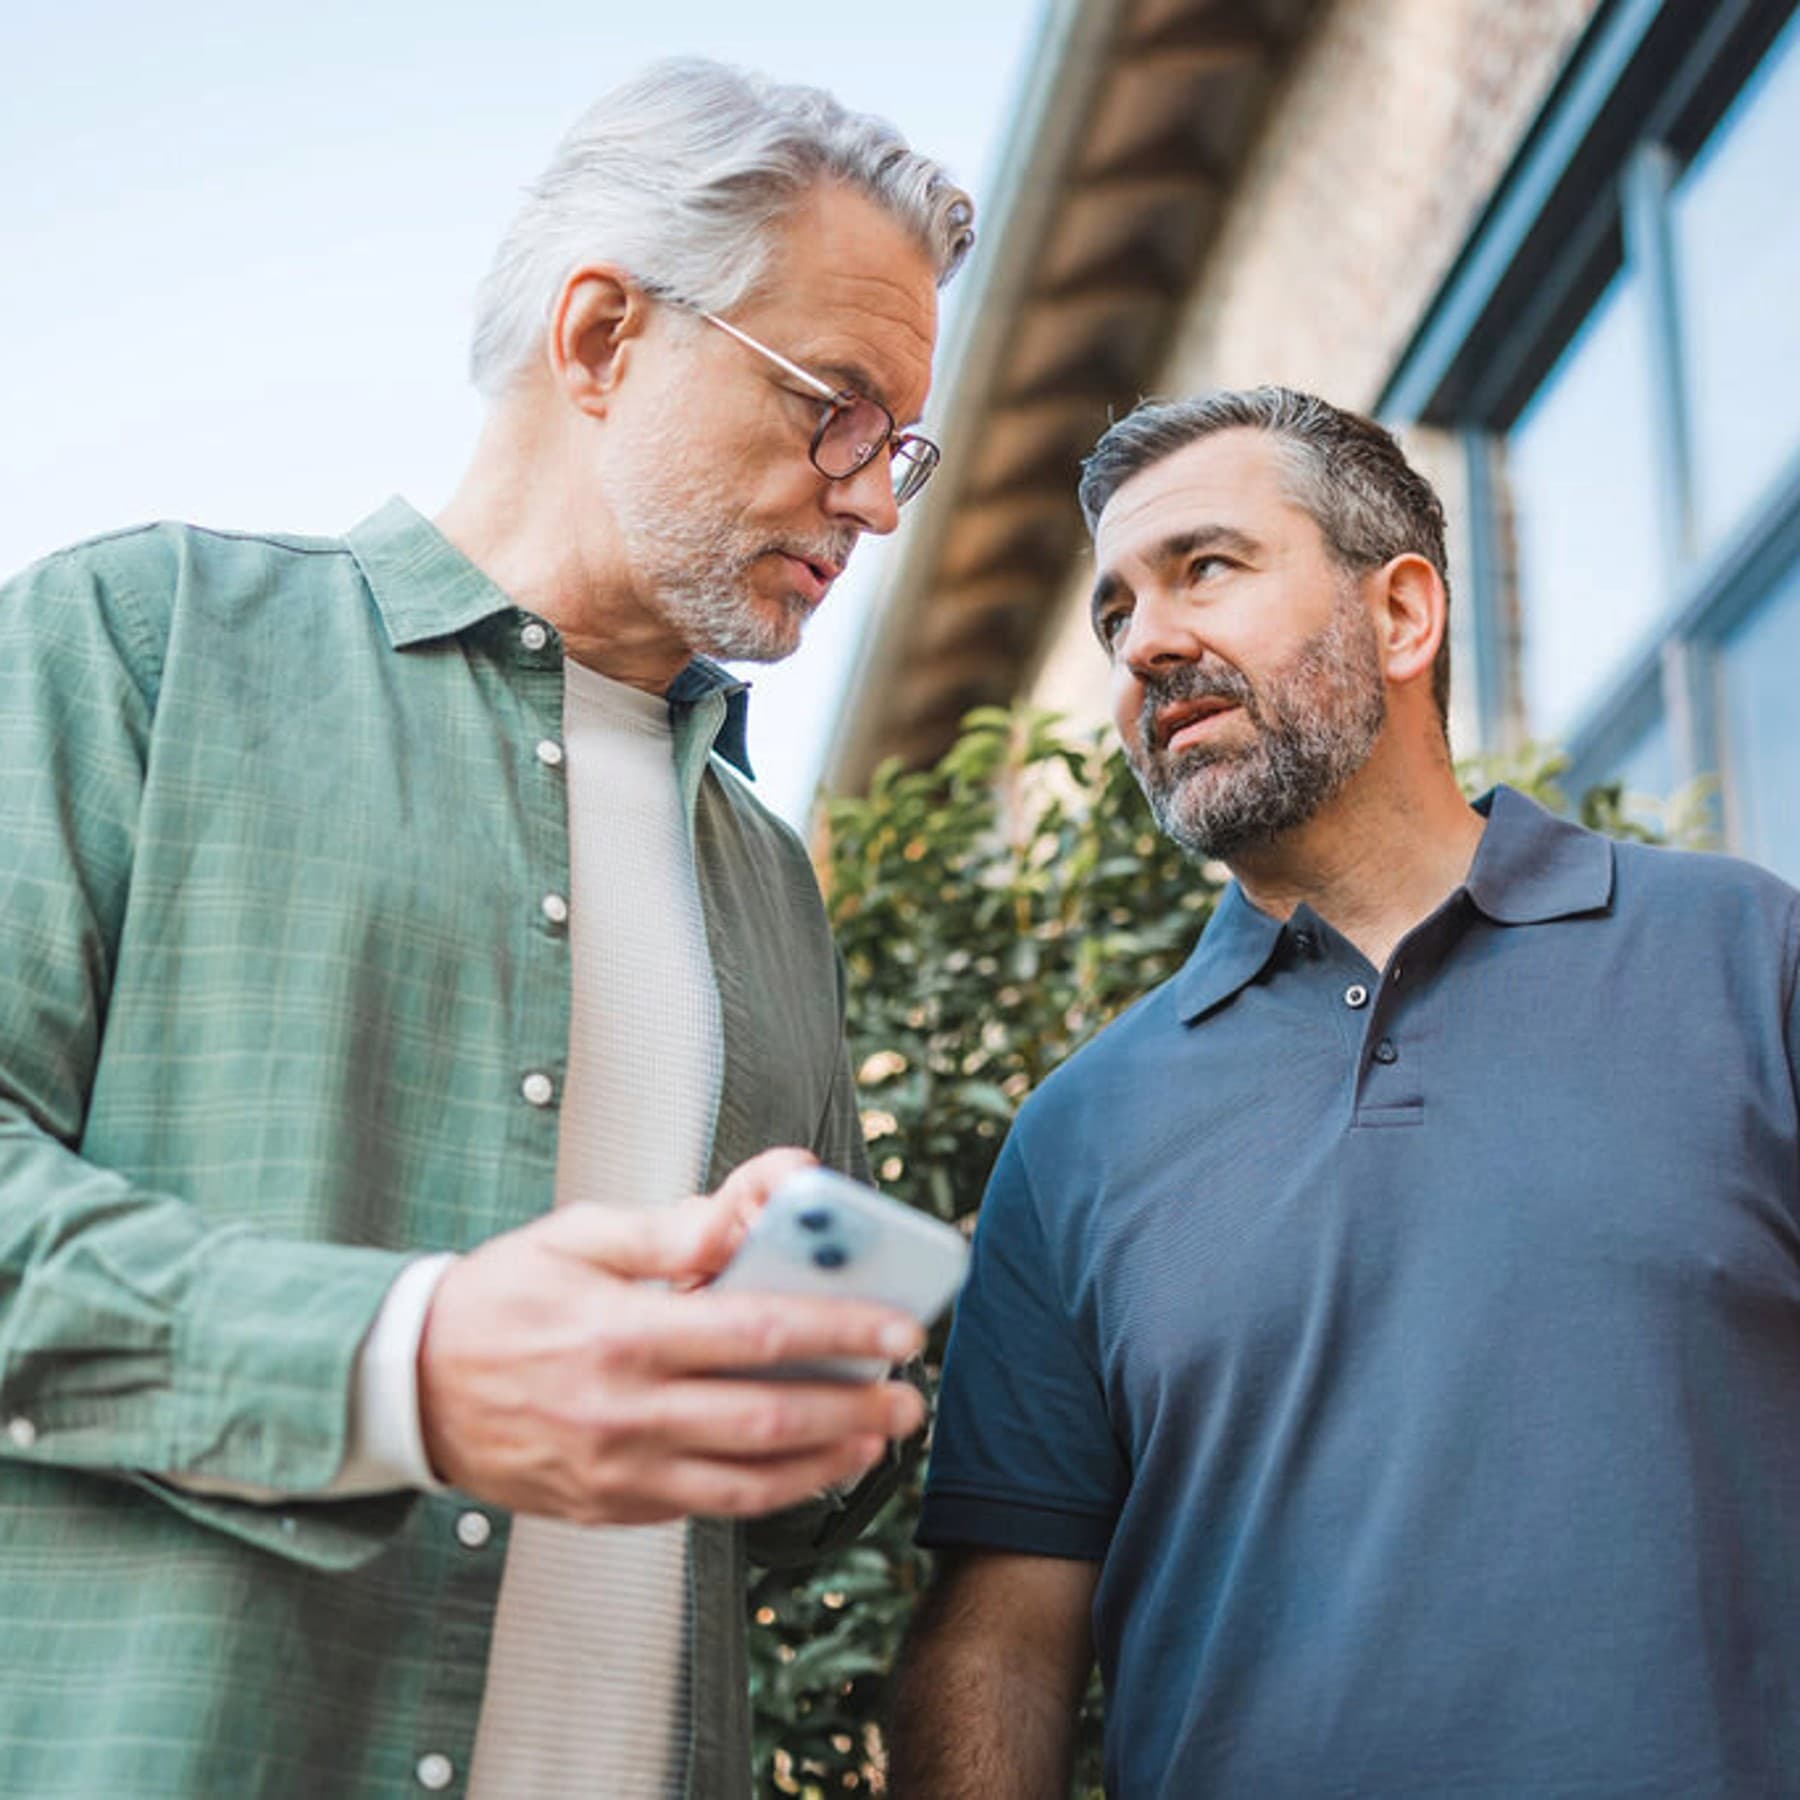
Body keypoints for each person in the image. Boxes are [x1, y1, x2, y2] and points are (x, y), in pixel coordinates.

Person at [0, 59, 974, 1798]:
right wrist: (403, 1364)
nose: (876, 501)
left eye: (898, 443)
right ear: (600, 337)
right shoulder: (139, 647)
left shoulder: (768, 876)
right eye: (832, 408)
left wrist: (813, 1374)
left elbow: (779, 1528)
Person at [888, 387, 1800, 1796]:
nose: (1148, 644)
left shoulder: (1748, 960)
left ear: (1405, 615)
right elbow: (999, 1644)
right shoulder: (1077, 1137)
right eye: (1115, 612)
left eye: (1206, 567)